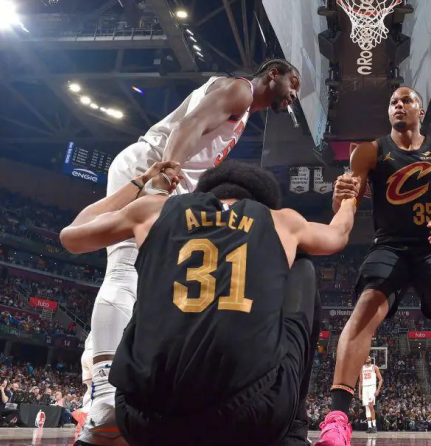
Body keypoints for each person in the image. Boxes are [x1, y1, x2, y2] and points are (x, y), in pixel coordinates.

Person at [79, 59, 303, 446]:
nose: (295, 93)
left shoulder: (242, 105)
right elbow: (190, 125)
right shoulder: (241, 90)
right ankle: (103, 396)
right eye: (293, 82)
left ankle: (96, 389)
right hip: (152, 169)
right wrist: (164, 176)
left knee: (149, 288)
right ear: (273, 73)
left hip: (171, 178)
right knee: (124, 271)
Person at [60, 160, 358, 446]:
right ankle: (293, 433)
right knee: (301, 267)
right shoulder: (282, 221)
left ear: (204, 192)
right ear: (264, 203)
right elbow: (339, 234)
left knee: (153, 277)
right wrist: (348, 198)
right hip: (252, 421)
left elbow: (71, 236)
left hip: (143, 421)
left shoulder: (154, 209)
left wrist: (141, 182)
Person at [315, 86, 431, 446]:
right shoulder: (369, 151)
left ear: (421, 111)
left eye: (406, 101)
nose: (399, 105)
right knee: (365, 306)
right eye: (393, 102)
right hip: (390, 245)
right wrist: (339, 204)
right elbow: (349, 203)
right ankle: (337, 419)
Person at [359, 356, 383, 434]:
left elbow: (381, 379)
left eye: (369, 357)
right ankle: (369, 427)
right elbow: (360, 382)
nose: (367, 358)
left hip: (372, 387)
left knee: (370, 406)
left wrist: (378, 390)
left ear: (371, 359)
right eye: (366, 358)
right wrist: (359, 393)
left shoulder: (374, 367)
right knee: (367, 408)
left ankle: (374, 426)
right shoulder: (362, 368)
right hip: (364, 388)